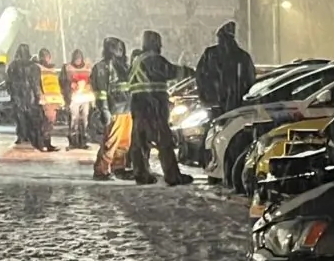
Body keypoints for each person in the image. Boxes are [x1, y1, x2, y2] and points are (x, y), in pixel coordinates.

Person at [125, 30, 193, 186]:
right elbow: (170, 71)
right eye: (158, 42)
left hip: (139, 105)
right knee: (164, 141)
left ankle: (141, 174)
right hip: (152, 105)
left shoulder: (138, 60)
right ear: (155, 43)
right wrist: (188, 71)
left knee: (139, 141)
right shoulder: (153, 59)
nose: (161, 46)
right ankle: (172, 176)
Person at [193, 21, 257, 117]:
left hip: (216, 105)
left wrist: (205, 97)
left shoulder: (210, 54)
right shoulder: (242, 56)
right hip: (235, 105)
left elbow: (200, 76)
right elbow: (250, 80)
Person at [91, 36, 130, 180]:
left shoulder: (123, 66)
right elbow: (100, 92)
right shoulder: (102, 67)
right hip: (115, 109)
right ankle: (101, 169)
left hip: (127, 108)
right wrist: (104, 109)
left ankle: (118, 167)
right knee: (111, 141)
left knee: (124, 142)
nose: (121, 51)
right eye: (118, 48)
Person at [5, 44, 43, 149]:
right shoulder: (15, 66)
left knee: (27, 116)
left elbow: (36, 82)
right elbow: (9, 81)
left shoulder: (32, 67)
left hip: (27, 94)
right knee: (21, 116)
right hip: (20, 94)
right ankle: (23, 135)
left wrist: (37, 94)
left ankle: (26, 135)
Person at [64, 48, 95, 149]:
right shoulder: (67, 67)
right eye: (76, 58)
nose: (78, 60)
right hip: (74, 97)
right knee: (74, 119)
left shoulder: (88, 67)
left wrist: (88, 85)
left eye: (79, 58)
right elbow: (63, 81)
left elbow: (92, 79)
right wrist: (70, 85)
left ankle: (83, 141)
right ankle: (73, 141)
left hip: (85, 97)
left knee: (85, 119)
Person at [35, 49, 64, 150]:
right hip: (46, 100)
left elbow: (56, 84)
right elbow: (37, 83)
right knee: (47, 122)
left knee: (50, 122)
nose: (45, 58)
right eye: (43, 56)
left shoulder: (52, 69)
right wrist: (40, 96)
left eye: (47, 56)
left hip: (54, 99)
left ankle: (46, 143)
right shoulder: (37, 68)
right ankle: (45, 143)